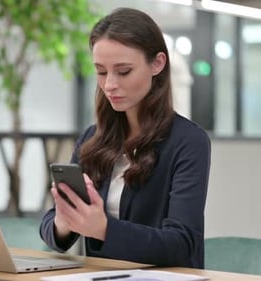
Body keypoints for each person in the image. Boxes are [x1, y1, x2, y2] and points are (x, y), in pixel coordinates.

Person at [40, 7, 211, 269]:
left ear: (157, 64)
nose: (109, 84)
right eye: (101, 71)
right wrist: (63, 222)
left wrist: (104, 229)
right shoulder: (92, 138)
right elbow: (54, 234)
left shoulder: (188, 142)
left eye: (123, 71)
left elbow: (182, 244)